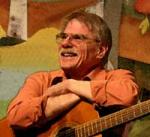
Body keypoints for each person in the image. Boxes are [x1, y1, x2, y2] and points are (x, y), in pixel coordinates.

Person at [7, 10, 139, 137]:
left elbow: (127, 96)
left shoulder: (117, 77)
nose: (65, 43)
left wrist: (69, 85)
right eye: (63, 37)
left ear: (100, 50)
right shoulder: (41, 80)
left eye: (77, 38)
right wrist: (75, 94)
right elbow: (16, 116)